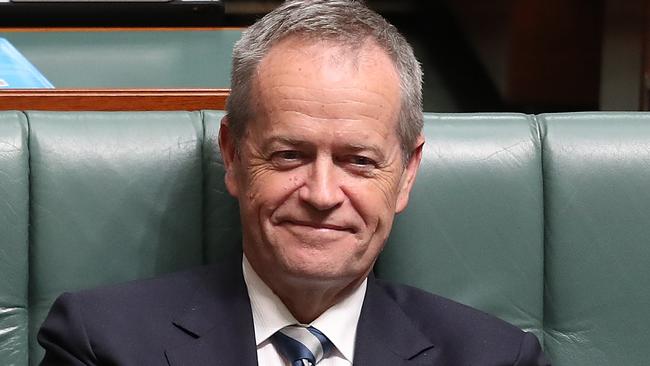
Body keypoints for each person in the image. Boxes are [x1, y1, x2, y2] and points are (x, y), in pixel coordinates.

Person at [38, 1, 550, 365]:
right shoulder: (100, 344)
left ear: (407, 173)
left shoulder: (499, 358)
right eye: (289, 155)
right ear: (234, 157)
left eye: (359, 161)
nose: (322, 195)